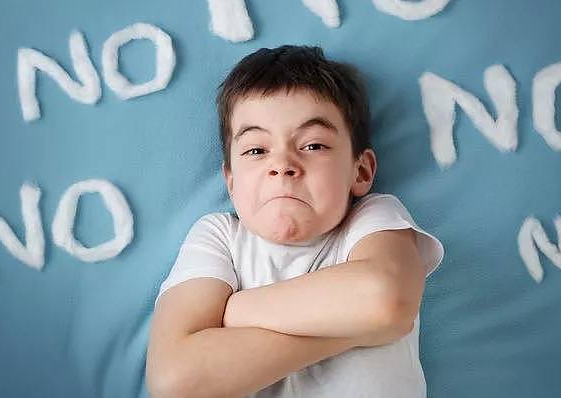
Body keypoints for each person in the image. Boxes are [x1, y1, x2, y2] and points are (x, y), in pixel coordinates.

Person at [145, 45, 444, 398]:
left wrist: (236, 311)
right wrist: (359, 329)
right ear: (231, 182)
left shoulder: (373, 218)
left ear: (360, 171)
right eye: (257, 150)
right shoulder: (220, 236)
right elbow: (175, 380)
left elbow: (386, 299)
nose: (283, 164)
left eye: (313, 145)